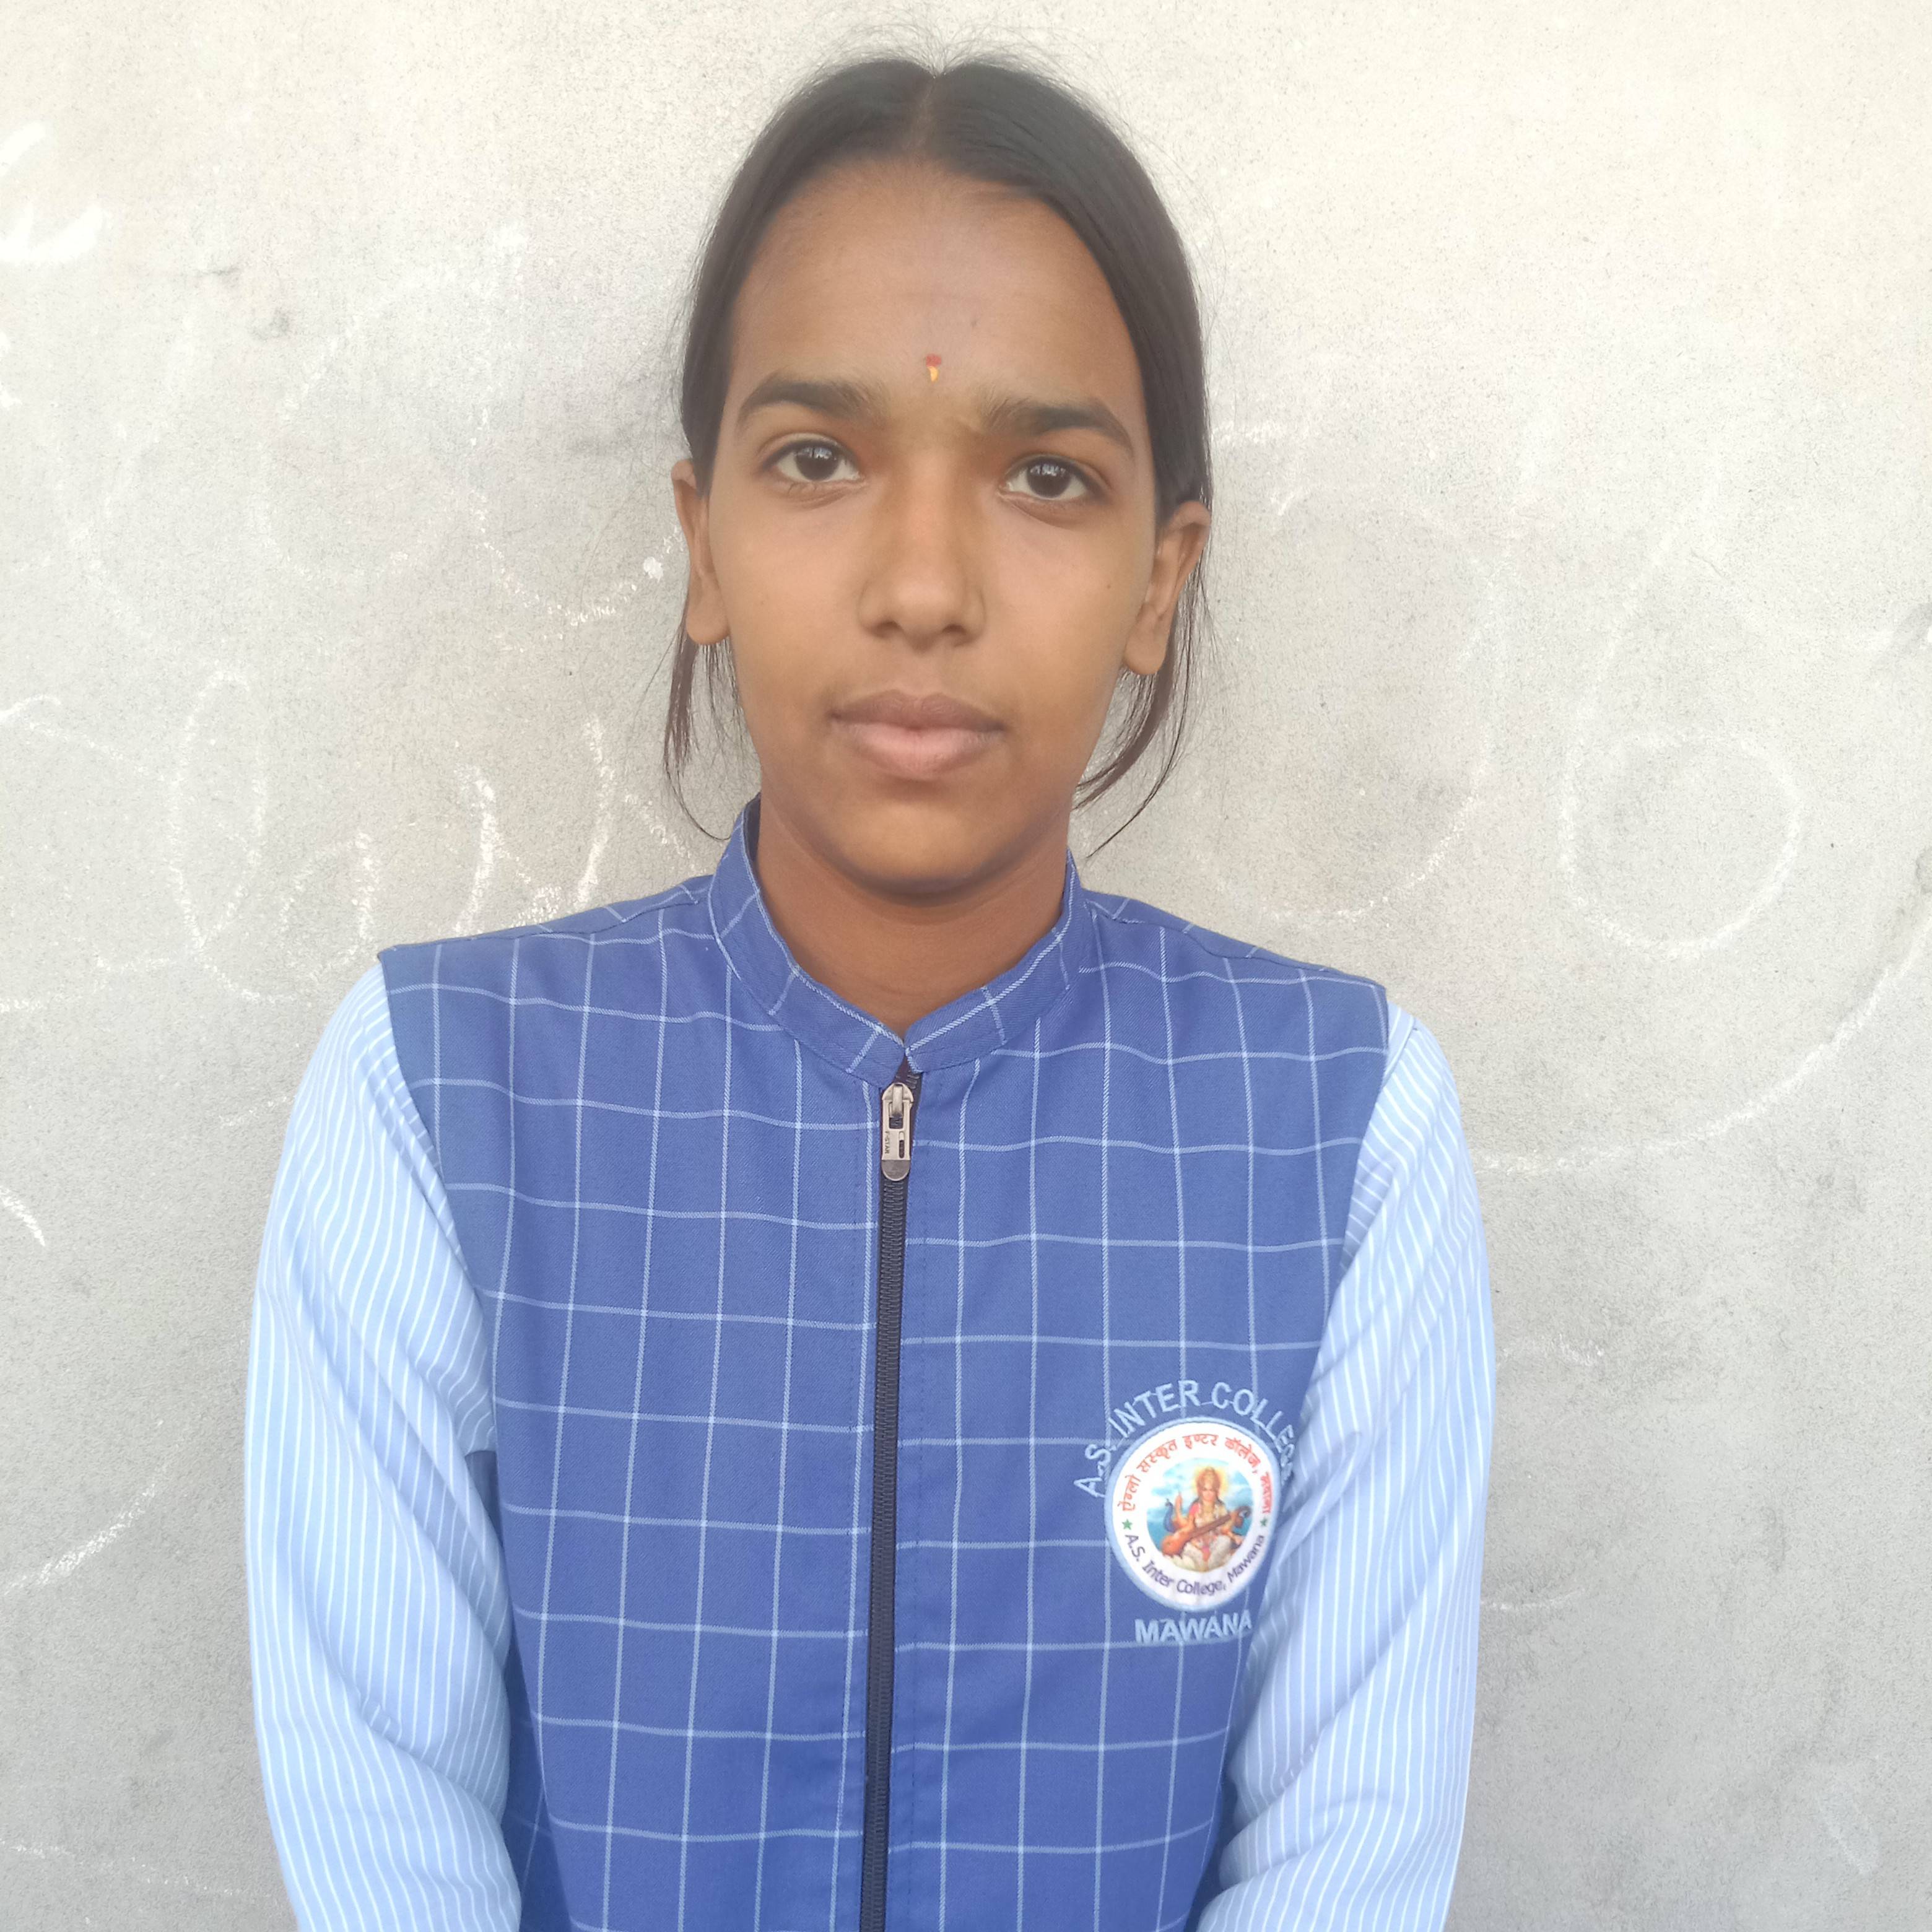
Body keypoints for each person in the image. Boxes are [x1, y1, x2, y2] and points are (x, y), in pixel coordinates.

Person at [245, 48, 1495, 1932]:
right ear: (704, 543)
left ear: (1160, 580)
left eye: (1047, 477)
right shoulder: (442, 1099)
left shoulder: (1341, 1133)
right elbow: (384, 1837)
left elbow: (1348, 1858)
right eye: (818, 460)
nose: (924, 585)